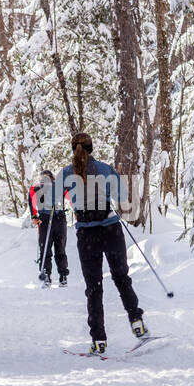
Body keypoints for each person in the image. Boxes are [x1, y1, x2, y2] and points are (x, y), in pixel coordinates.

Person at [60, 133, 146, 354]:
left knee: (94, 288)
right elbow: (123, 196)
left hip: (87, 235)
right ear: (92, 148)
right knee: (121, 278)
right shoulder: (106, 169)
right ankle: (137, 323)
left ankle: (98, 340)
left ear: (74, 150)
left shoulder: (67, 173)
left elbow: (51, 199)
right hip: (110, 230)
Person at [29, 170, 69, 287]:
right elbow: (31, 201)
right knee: (45, 248)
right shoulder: (37, 188)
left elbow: (70, 196)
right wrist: (34, 215)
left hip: (59, 218)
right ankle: (47, 275)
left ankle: (63, 276)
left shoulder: (59, 187)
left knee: (60, 248)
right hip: (45, 220)